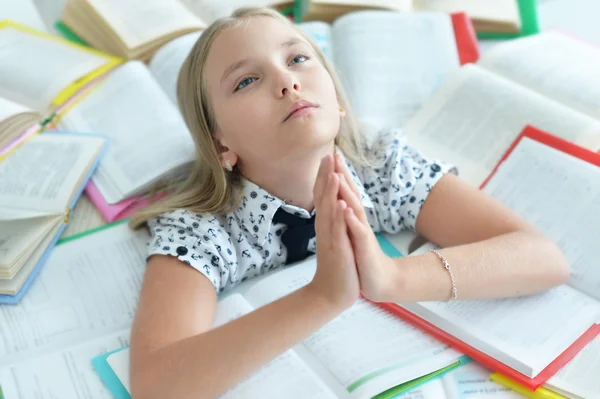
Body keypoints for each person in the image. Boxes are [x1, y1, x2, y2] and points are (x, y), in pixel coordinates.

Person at [127, 7, 570, 399]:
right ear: (219, 141)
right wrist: (323, 296)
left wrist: (392, 277)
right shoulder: (200, 227)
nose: (286, 81)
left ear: (335, 97)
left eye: (297, 58)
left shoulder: (381, 163)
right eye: (247, 80)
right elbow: (157, 383)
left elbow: (544, 257)